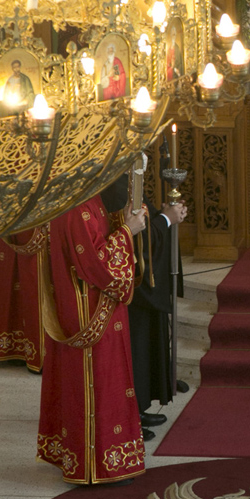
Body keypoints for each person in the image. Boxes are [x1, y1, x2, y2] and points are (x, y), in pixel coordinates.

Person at [37, 195, 147, 485]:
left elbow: (93, 236)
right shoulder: (75, 206)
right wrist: (128, 231)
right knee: (99, 380)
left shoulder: (87, 198)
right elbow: (94, 263)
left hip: (94, 303)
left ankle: (108, 461)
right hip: (89, 307)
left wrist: (118, 220)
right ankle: (94, 467)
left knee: (109, 378)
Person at [100, 175, 190, 436]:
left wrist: (164, 216)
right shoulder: (113, 184)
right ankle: (130, 417)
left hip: (138, 287)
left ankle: (137, 410)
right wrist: (166, 219)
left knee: (140, 350)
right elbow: (137, 239)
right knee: (134, 351)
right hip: (132, 287)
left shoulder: (123, 178)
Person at [0, 227, 46, 372]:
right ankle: (20, 349)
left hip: (34, 223)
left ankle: (28, 350)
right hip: (25, 226)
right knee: (20, 279)